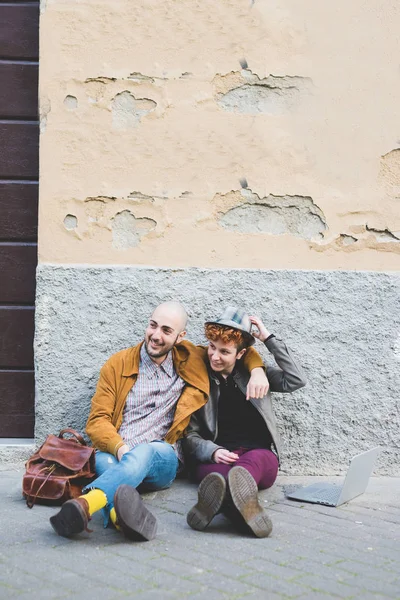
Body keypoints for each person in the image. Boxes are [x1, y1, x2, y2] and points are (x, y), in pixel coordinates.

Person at [50, 301, 267, 541]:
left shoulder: (191, 358)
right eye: (153, 325)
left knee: (146, 451)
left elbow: (235, 349)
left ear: (180, 336)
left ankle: (85, 503)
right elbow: (97, 420)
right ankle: (119, 519)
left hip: (162, 456)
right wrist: (120, 447)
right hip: (116, 451)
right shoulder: (117, 364)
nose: (155, 335)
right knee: (108, 465)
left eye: (166, 330)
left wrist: (257, 370)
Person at [184, 306, 306, 538]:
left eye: (224, 351)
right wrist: (212, 451)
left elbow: (296, 380)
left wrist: (268, 339)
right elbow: (190, 435)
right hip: (218, 458)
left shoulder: (257, 374)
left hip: (259, 456)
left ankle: (216, 506)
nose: (215, 356)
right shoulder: (200, 378)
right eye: (212, 347)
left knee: (243, 471)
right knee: (217, 479)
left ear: (241, 354)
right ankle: (243, 512)